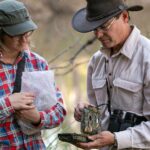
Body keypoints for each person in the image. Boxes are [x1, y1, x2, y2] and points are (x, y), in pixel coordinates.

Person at [72, 0, 150, 149]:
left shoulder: (147, 58)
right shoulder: (96, 61)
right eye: (94, 29)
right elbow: (98, 114)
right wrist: (85, 112)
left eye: (104, 26)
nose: (99, 34)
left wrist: (117, 139)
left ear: (125, 17)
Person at [0, 0, 66, 149]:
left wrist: (37, 118)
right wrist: (8, 104)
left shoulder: (38, 63)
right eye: (16, 34)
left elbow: (59, 112)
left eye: (27, 33)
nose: (24, 39)